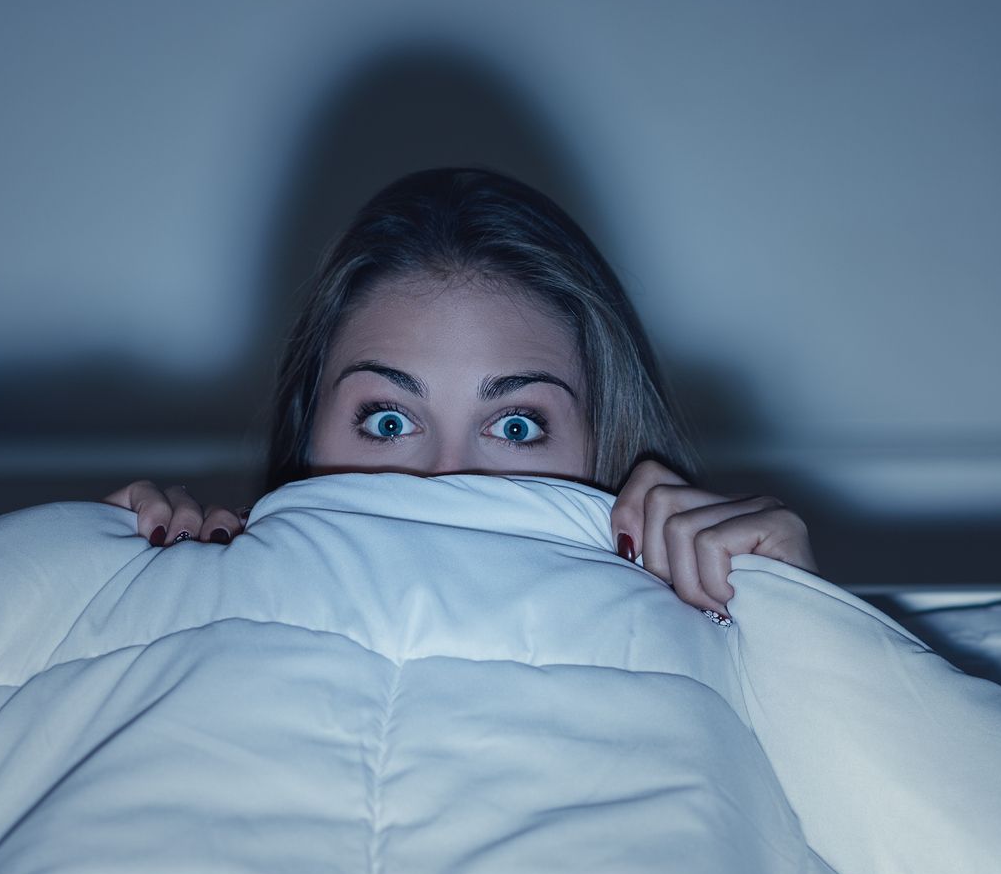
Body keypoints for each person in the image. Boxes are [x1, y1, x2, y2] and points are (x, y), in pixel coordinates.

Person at [102, 167, 818, 616]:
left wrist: (798, 622)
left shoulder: (730, 646)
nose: (443, 480)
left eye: (513, 426)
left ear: (610, 448)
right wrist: (88, 595)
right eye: (387, 422)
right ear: (305, 436)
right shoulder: (190, 604)